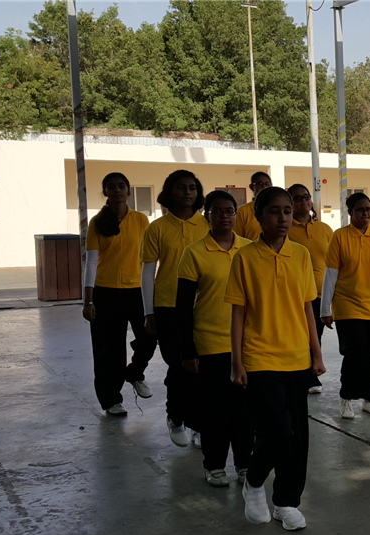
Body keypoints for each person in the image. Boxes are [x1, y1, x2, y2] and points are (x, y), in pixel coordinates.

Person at [226, 186, 326, 531]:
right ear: (258, 216)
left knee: (297, 438)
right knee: (278, 431)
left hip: (297, 357)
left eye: (287, 210)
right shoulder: (244, 258)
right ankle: (254, 481)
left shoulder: (301, 254)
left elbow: (307, 307)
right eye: (274, 211)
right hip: (260, 356)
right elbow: (238, 312)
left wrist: (316, 353)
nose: (283, 218)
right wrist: (237, 361)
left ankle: (286, 502)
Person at [176, 190, 254, 487]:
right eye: (217, 211)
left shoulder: (249, 249)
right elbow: (183, 307)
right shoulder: (194, 252)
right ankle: (214, 465)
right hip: (210, 344)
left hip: (246, 345)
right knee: (215, 410)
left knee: (245, 411)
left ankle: (245, 464)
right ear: (206, 215)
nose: (224, 216)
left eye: (229, 210)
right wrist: (188, 350)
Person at [142, 170, 208, 448]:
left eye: (192, 188)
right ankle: (176, 417)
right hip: (168, 306)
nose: (187, 193)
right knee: (179, 366)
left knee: (202, 368)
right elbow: (148, 272)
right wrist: (149, 311)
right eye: (181, 187)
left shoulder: (207, 224)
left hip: (203, 306)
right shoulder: (156, 228)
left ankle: (198, 422)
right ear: (170, 192)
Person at [83, 172, 157, 416]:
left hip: (137, 291)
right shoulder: (97, 222)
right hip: (105, 292)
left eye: (121, 186)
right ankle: (111, 400)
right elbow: (91, 263)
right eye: (112, 187)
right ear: (105, 192)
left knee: (149, 337)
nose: (117, 190)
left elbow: (148, 259)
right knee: (108, 350)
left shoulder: (141, 220)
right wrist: (88, 300)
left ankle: (134, 373)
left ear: (128, 191)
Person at [320, 193, 370, 420]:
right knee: (355, 351)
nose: (366, 213)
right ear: (350, 212)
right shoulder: (340, 236)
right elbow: (331, 274)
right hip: (347, 305)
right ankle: (346, 397)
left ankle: (369, 398)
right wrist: (325, 309)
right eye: (360, 209)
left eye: (368, 209)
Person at [287, 183, 335, 394]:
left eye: (306, 196)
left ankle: (312, 375)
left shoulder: (324, 229)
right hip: (294, 293)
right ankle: (300, 374)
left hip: (320, 292)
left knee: (316, 334)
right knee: (299, 335)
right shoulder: (285, 228)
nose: (304, 201)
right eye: (297, 198)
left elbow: (333, 262)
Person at [234, 172, 273, 240]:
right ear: (252, 187)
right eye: (260, 184)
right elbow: (238, 238)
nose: (264, 187)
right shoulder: (243, 211)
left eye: (267, 184)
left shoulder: (276, 209)